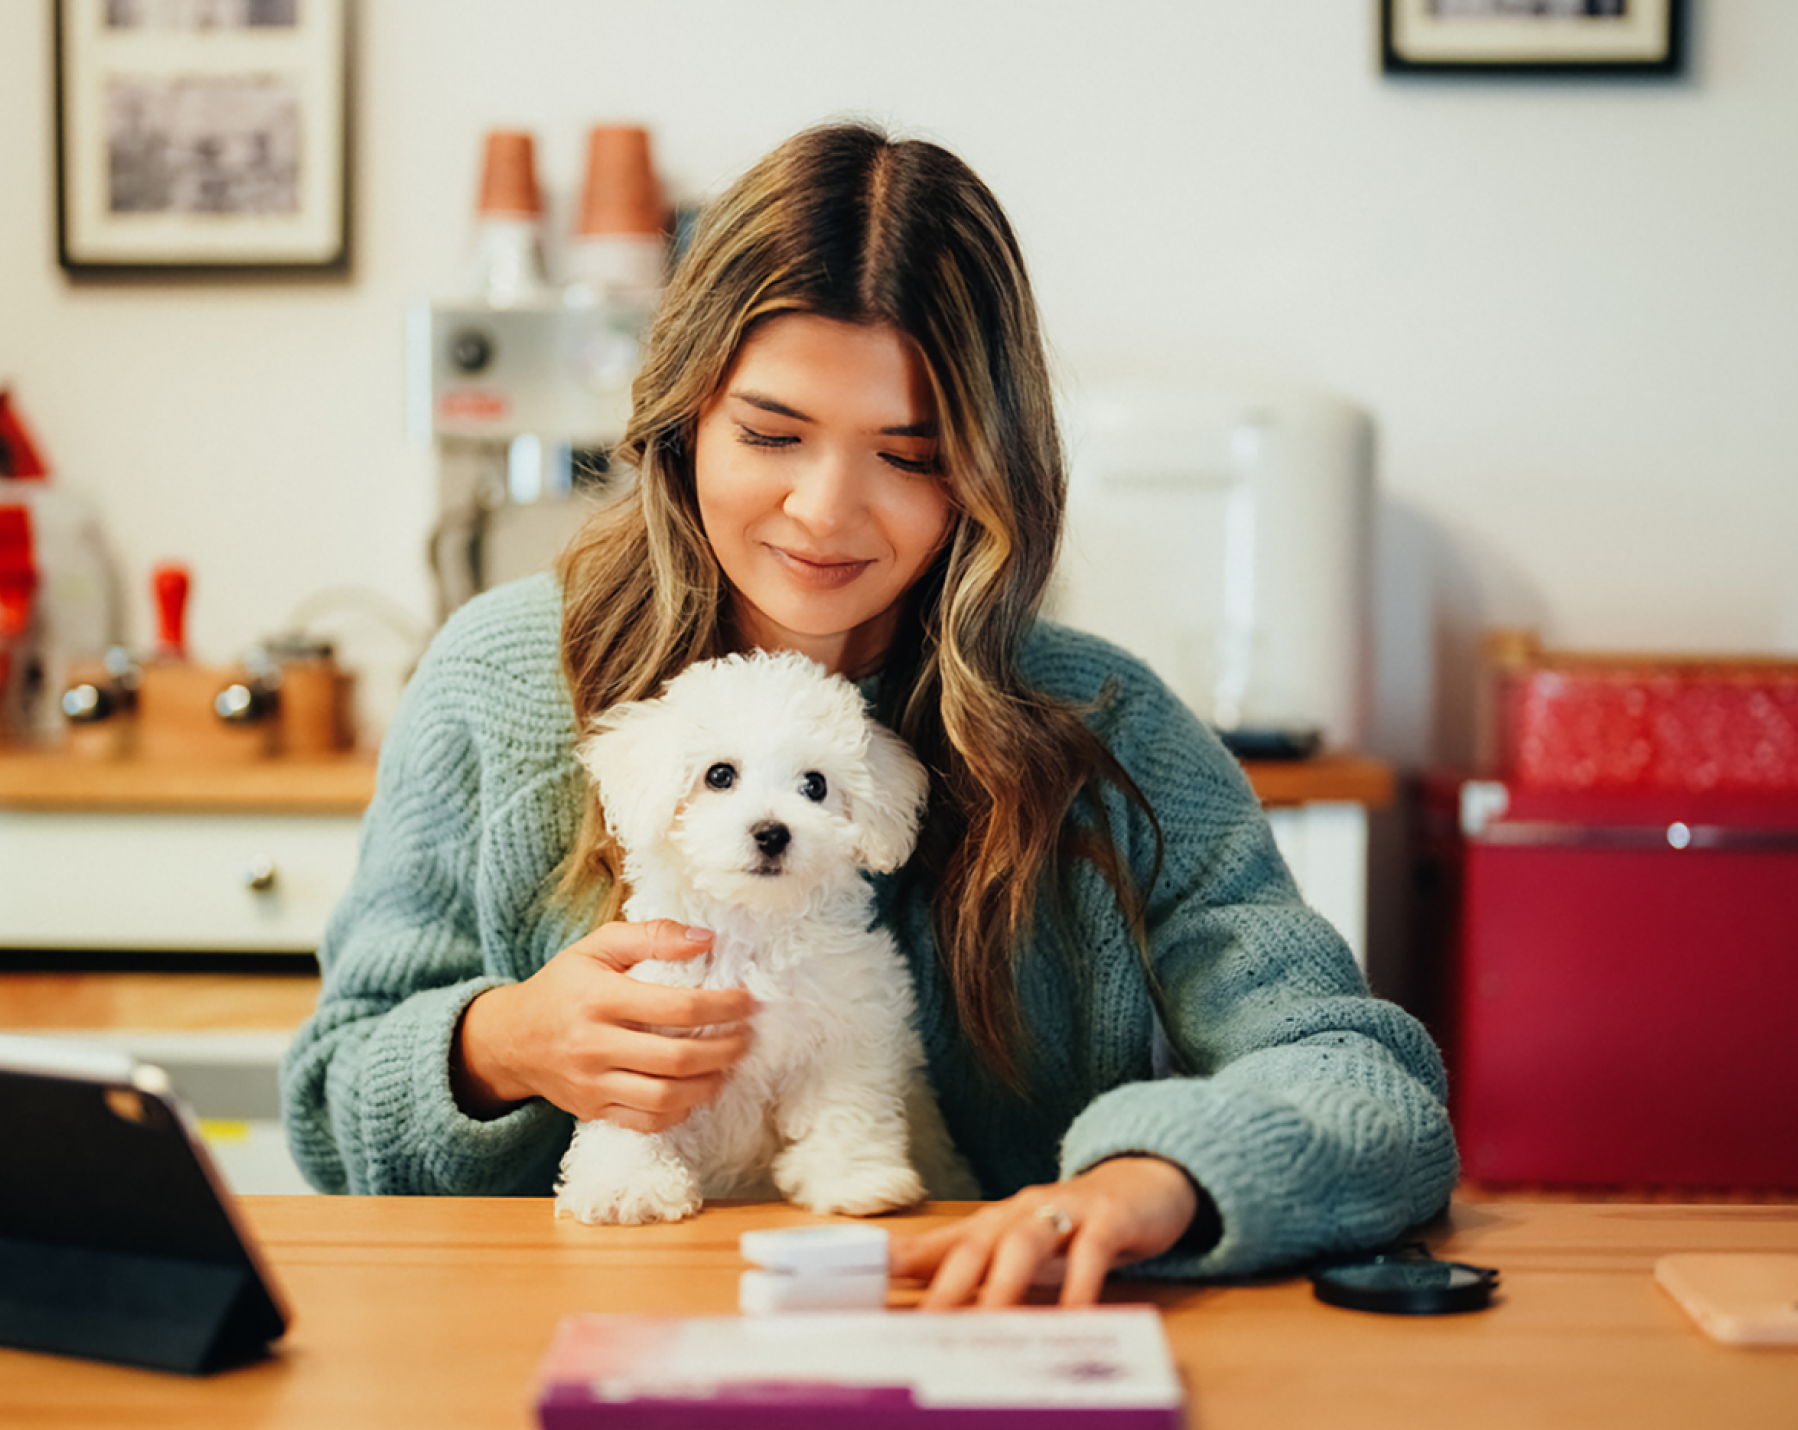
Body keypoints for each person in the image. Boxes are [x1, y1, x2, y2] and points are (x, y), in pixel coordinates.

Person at [280, 121, 1458, 1308]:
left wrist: (1161, 1177)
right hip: (558, 1343)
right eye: (771, 433)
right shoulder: (499, 675)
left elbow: (1362, 1082)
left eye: (910, 453)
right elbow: (330, 1108)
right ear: (682, 416)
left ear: (990, 471)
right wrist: (500, 1043)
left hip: (977, 1336)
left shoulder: (1108, 725)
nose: (825, 511)